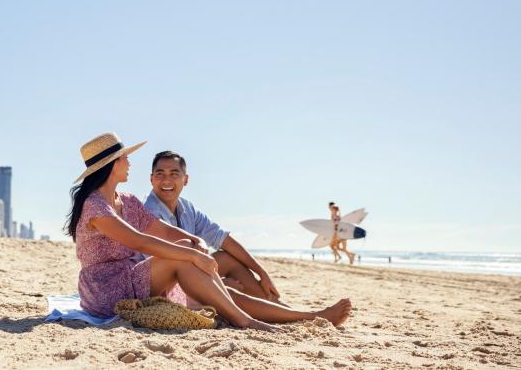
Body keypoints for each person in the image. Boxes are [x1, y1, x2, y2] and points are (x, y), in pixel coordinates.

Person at [66, 132, 352, 331]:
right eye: (125, 157)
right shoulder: (95, 206)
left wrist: (192, 241)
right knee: (189, 264)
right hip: (104, 290)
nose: (129, 162)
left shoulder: (126, 200)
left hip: (133, 278)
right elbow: (141, 240)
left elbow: (160, 229)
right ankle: (247, 321)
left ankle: (305, 316)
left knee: (219, 290)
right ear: (111, 165)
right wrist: (191, 254)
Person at [143, 151, 287, 306]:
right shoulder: (147, 211)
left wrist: (262, 272)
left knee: (227, 258)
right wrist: (219, 284)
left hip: (189, 274)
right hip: (158, 284)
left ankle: (276, 304)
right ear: (151, 179)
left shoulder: (187, 208)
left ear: (185, 179)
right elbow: (174, 267)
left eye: (174, 174)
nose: (166, 180)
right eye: (160, 174)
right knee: (228, 295)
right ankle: (282, 312)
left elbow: (223, 239)